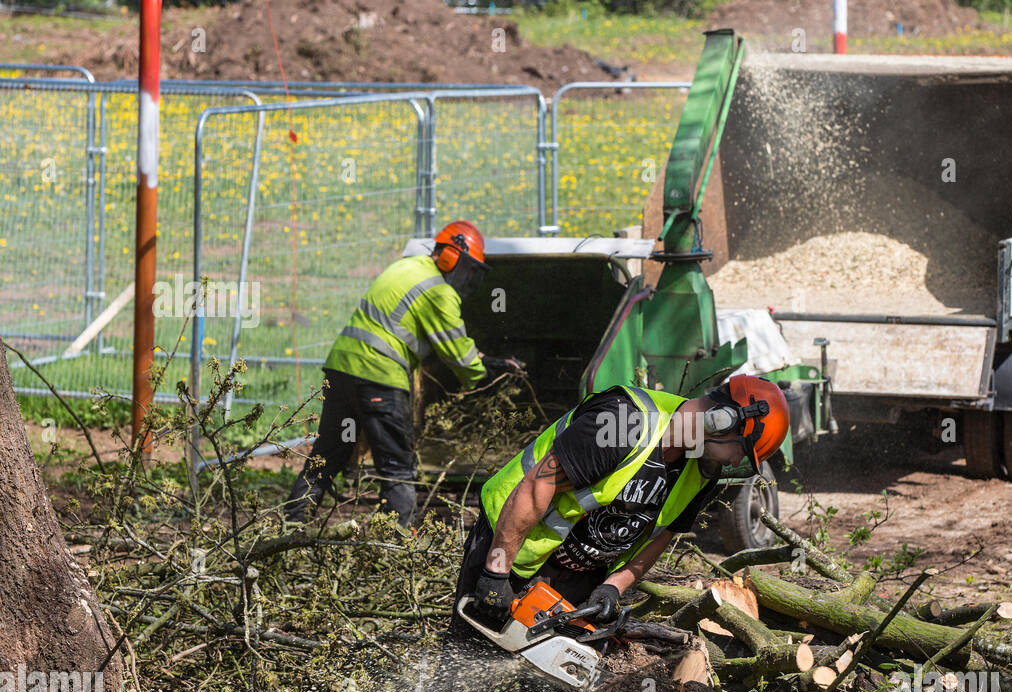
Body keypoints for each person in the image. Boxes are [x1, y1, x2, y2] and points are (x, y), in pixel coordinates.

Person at [457, 374, 790, 627]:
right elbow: (536, 487)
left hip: (576, 577)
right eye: (741, 451)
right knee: (471, 652)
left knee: (553, 689)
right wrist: (496, 572)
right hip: (508, 545)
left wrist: (614, 586)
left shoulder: (702, 469)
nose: (735, 463)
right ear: (723, 420)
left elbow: (663, 534)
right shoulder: (624, 423)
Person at [286, 220, 517, 527]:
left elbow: (412, 330)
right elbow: (460, 356)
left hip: (340, 370)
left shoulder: (406, 268)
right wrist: (482, 377)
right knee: (397, 467)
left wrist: (481, 358)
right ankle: (394, 546)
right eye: (470, 270)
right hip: (379, 378)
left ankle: (290, 526)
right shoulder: (439, 290)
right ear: (452, 259)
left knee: (326, 457)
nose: (470, 277)